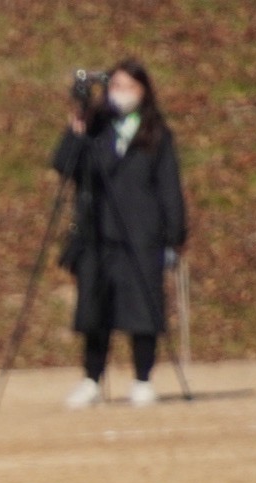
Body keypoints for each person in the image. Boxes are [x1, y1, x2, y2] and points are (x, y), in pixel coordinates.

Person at [53, 60, 186, 410]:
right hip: (97, 232)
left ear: (144, 92)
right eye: (116, 87)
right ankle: (91, 380)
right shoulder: (96, 127)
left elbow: (169, 187)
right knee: (94, 310)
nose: (121, 94)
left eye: (129, 87)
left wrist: (174, 235)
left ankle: (143, 379)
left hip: (142, 234)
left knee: (144, 310)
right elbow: (64, 165)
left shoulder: (157, 133)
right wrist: (77, 130)